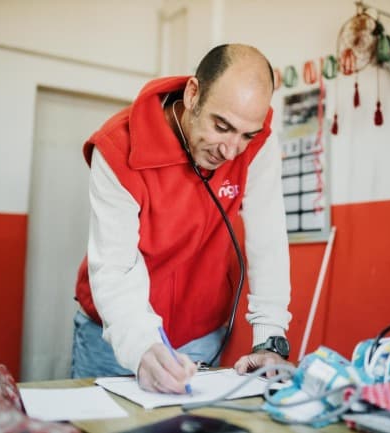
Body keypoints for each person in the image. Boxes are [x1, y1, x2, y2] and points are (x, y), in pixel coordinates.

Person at [71, 43, 293, 394]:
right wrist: (142, 344)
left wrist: (270, 339)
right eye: (221, 126)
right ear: (192, 95)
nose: (231, 150)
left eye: (246, 135)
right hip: (116, 332)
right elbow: (115, 267)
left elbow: (268, 240)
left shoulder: (256, 142)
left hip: (201, 334)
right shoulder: (116, 147)